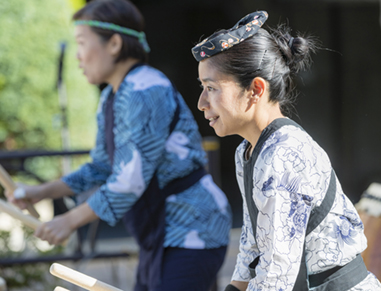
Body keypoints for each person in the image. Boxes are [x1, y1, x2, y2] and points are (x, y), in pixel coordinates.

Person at [6, 0, 232, 290]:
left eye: (82, 43)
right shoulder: (111, 98)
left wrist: (70, 220)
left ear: (113, 43)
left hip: (194, 227)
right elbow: (100, 168)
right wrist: (40, 192)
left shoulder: (146, 88)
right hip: (161, 235)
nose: (78, 57)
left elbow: (128, 180)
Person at [192, 11, 381, 291]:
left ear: (255, 89)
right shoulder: (246, 152)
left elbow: (276, 276)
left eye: (211, 88)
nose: (201, 103)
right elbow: (252, 247)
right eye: (202, 88)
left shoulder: (284, 154)